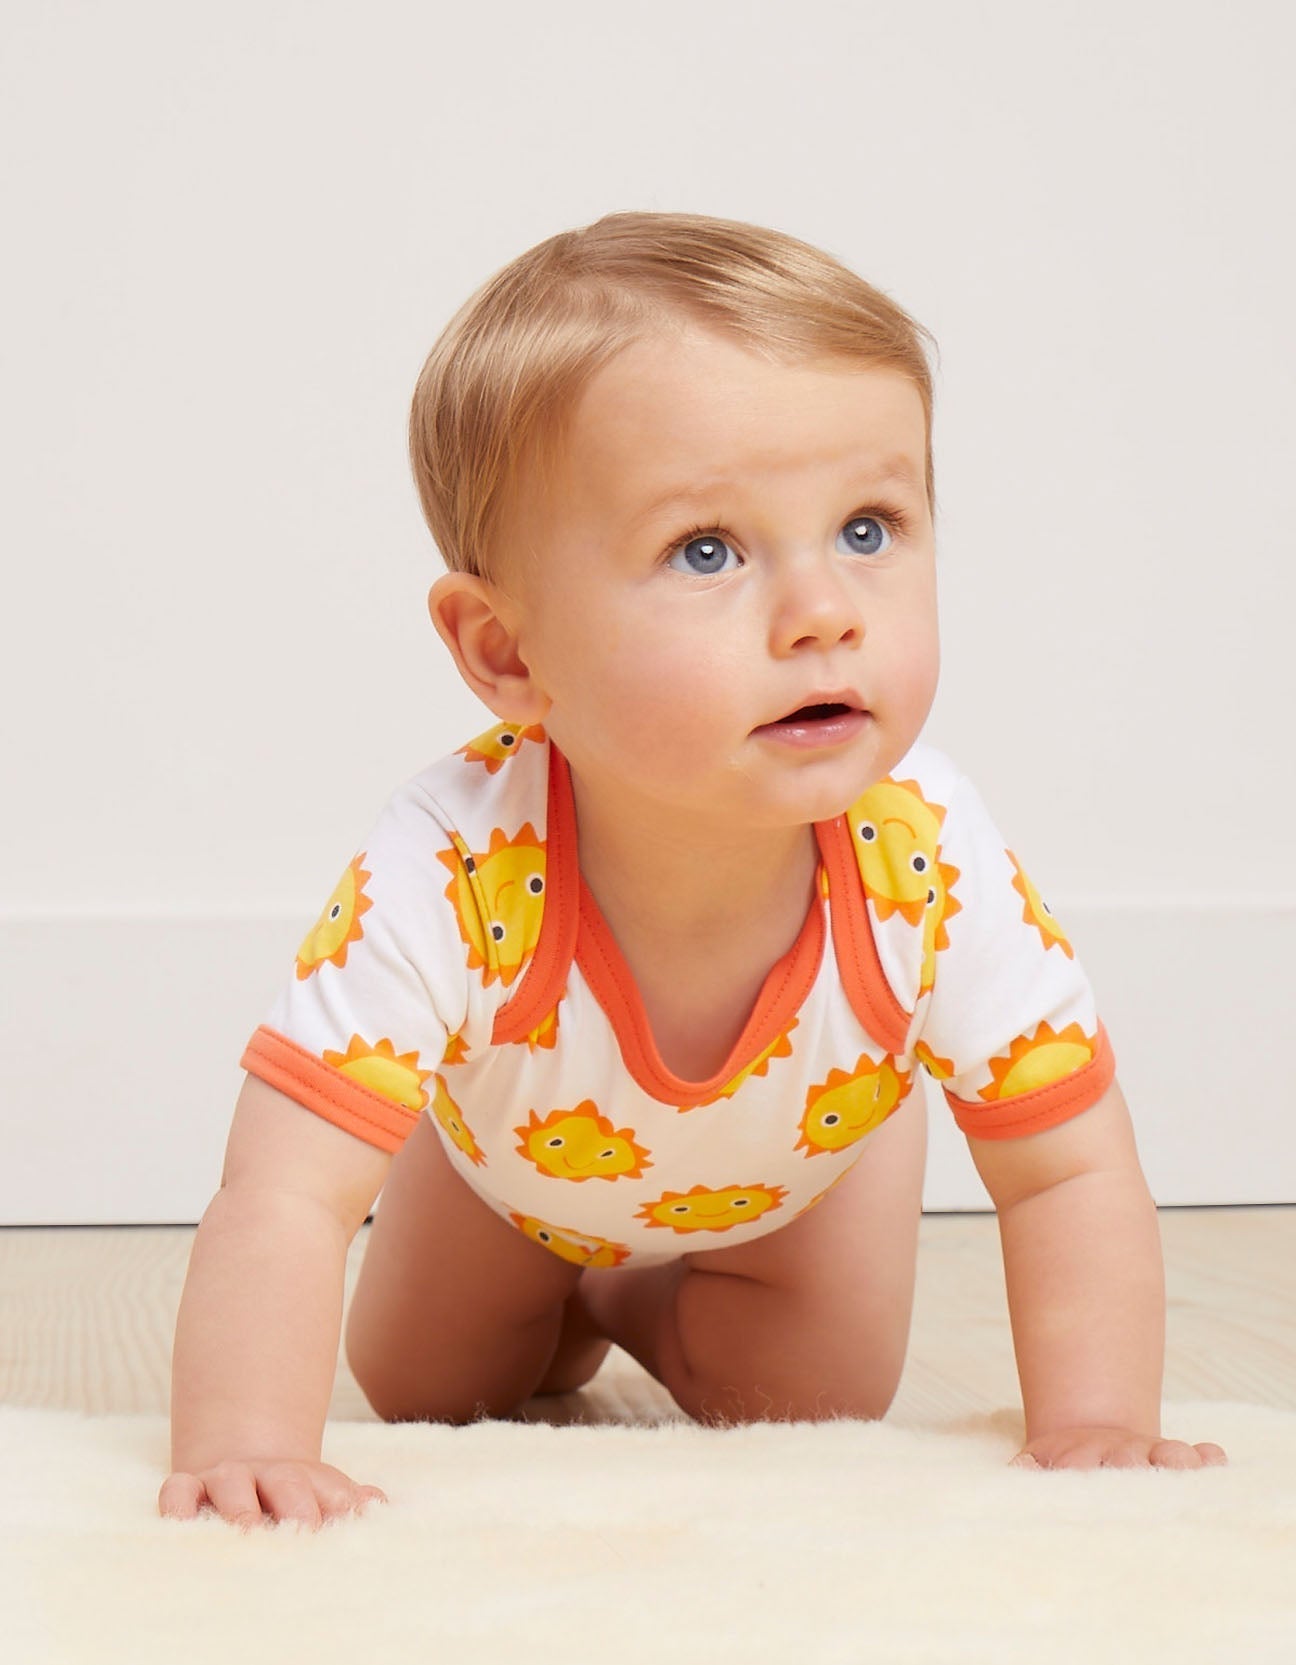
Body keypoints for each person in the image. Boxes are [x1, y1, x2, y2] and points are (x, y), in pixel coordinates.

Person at [159, 211, 1226, 1531]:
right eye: (706, 550)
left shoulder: (928, 860)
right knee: (428, 1385)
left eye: (869, 527)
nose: (825, 611)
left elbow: (1066, 1169)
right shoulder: (454, 861)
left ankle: (635, 1295)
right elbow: (283, 1190)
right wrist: (245, 1444)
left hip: (798, 1173)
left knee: (811, 1404)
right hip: (510, 1174)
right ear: (506, 652)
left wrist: (1097, 1422)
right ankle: (554, 1280)